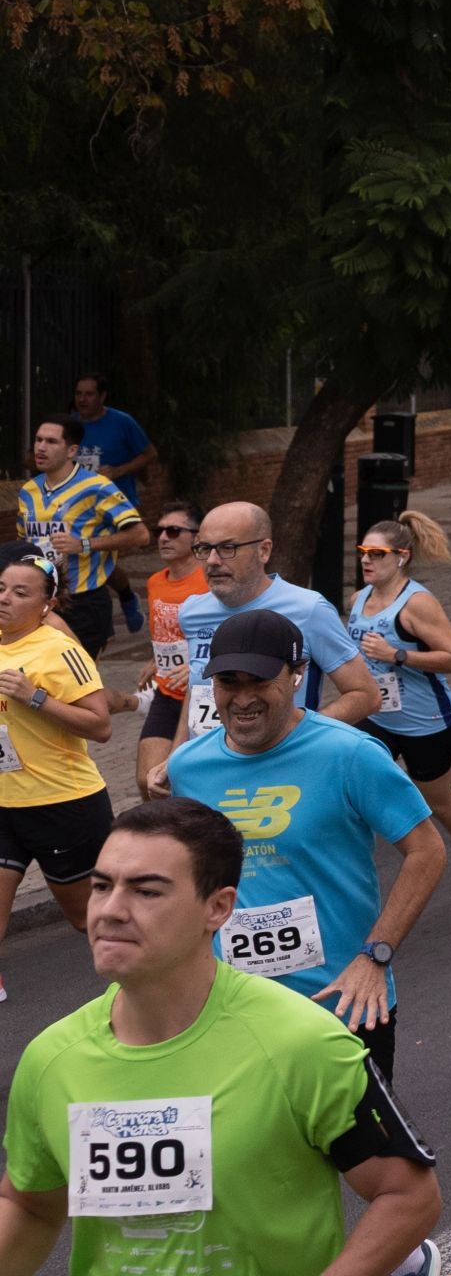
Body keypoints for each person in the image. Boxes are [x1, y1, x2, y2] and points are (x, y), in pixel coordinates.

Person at [0, 798, 443, 1276]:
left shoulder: (300, 1041)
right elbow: (31, 1205)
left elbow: (408, 1196)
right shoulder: (52, 1058)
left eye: (146, 892)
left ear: (217, 908)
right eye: (102, 886)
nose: (110, 911)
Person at [161, 610, 444, 1082]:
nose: (243, 698)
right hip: (232, 1009)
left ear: (297, 676)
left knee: (361, 1156)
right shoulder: (189, 767)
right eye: (229, 682)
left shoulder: (349, 753)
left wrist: (375, 955)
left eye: (261, 680)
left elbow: (428, 851)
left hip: (340, 1003)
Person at [350, 512, 451, 912]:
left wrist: (397, 654)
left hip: (427, 721)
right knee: (355, 787)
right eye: (362, 552)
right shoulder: (357, 600)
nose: (366, 560)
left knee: (438, 802)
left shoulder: (417, 603)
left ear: (401, 557)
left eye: (376, 554)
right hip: (378, 715)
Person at [0, 553, 114, 1001]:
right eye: (2, 588)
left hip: (63, 804)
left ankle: (146, 982)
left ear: (47, 604)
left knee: (88, 919)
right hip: (5, 803)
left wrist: (35, 697)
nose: (5, 598)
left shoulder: (59, 649)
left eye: (20, 592)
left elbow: (101, 726)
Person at [176, 502, 380, 741]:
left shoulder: (308, 609)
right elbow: (198, 689)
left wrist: (298, 737)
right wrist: (177, 756)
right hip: (210, 766)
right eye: (204, 548)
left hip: (278, 767)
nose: (212, 560)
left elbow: (366, 694)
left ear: (264, 550)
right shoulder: (192, 612)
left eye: (227, 548)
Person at [17, 418, 152, 657]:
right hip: (42, 599)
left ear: (72, 450)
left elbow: (140, 535)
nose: (41, 447)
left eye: (51, 441)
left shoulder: (97, 487)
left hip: (84, 601)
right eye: (38, 440)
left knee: (81, 683)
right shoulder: (28, 491)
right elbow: (25, 543)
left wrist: (83, 544)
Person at [69, 372, 158, 633]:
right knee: (95, 559)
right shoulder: (70, 426)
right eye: (78, 394)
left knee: (97, 556)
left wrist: (118, 471)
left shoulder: (122, 422)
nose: (82, 399)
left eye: (89, 394)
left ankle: (116, 606)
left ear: (102, 396)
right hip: (80, 508)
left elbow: (150, 454)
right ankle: (125, 596)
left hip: (117, 504)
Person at [136, 501, 208, 801]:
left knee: (188, 779)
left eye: (174, 531)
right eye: (160, 531)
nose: (163, 537)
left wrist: (197, 664)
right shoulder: (155, 581)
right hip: (167, 692)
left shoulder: (210, 581)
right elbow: (167, 629)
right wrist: (157, 659)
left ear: (196, 537)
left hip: (203, 694)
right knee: (146, 780)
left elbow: (228, 631)